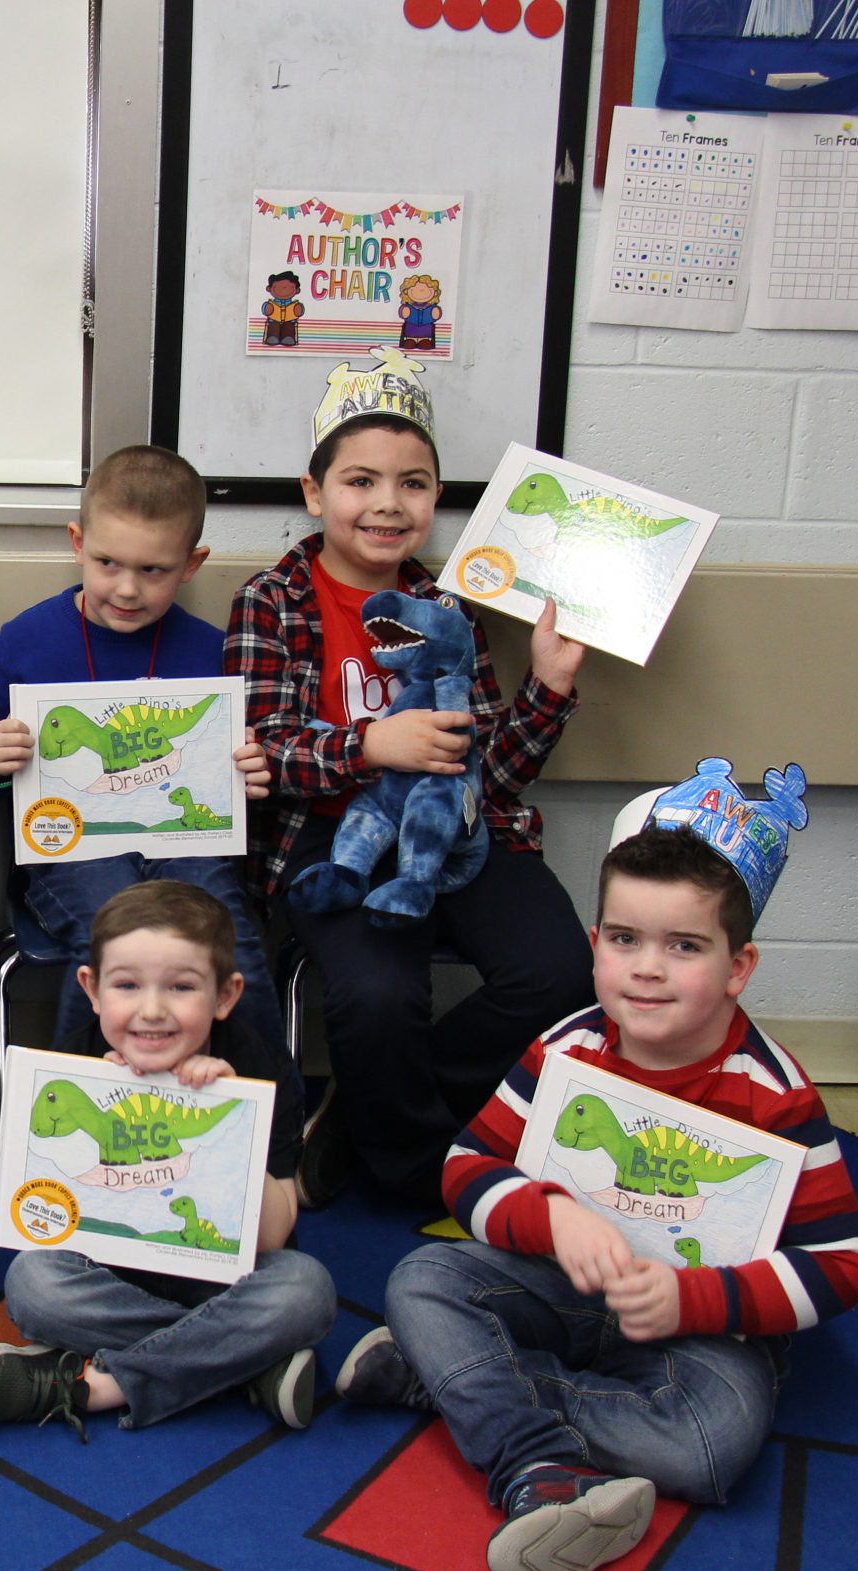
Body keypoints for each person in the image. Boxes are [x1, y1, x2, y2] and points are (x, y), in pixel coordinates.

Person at [339, 762, 858, 1571]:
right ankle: (536, 1461)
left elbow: (838, 1264)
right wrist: (551, 1220)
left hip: (700, 1330)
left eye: (684, 946)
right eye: (624, 939)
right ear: (595, 947)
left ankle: (448, 1385)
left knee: (709, 1446)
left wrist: (694, 1300)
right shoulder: (567, 1046)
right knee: (423, 1275)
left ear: (739, 966)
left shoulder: (777, 1093)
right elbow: (466, 1169)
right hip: (565, 1283)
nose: (647, 969)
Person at [228, 354, 590, 1209]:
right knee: (380, 994)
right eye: (361, 481)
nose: (389, 503)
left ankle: (363, 1112)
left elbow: (496, 773)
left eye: (414, 483)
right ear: (315, 494)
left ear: (435, 499)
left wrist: (550, 687)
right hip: (329, 835)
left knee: (561, 973)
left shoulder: (452, 606)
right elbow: (264, 754)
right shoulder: (273, 599)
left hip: (459, 826)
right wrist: (372, 745)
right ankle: (421, 1175)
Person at [0, 880, 333, 1437]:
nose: (151, 1011)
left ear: (225, 996)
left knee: (306, 1291)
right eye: (127, 985)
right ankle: (240, 1360)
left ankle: (95, 1384)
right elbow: (45, 1215)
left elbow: (274, 1236)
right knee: (33, 1284)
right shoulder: (76, 1062)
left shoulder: (254, 1063)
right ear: (92, 988)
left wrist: (230, 1122)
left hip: (228, 1279)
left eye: (181, 987)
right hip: (107, 1275)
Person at [0, 444, 279, 1046]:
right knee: (114, 949)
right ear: (77, 542)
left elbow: (236, 782)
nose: (127, 589)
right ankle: (67, 1131)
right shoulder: (26, 640)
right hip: (69, 850)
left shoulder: (216, 651)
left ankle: (274, 1133)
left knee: (231, 948)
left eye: (153, 570)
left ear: (192, 564)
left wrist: (253, 775)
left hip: (187, 847)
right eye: (108, 562)